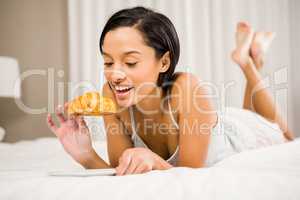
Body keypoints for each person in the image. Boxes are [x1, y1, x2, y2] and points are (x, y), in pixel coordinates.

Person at [47, 6, 294, 176]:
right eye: (108, 62)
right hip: (213, 120)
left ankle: (247, 63)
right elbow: (124, 174)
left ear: (164, 62)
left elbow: (191, 175)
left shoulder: (187, 88)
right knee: (253, 113)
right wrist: (86, 156)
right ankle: (251, 56)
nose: (114, 74)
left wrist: (154, 161)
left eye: (130, 62)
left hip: (235, 134)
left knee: (286, 137)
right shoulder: (112, 97)